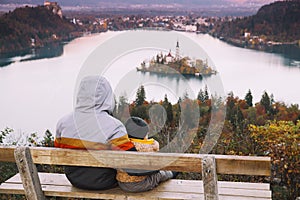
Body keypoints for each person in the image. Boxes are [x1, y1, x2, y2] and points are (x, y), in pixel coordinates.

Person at [54, 76, 136, 190]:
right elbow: (132, 160)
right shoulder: (114, 126)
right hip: (105, 182)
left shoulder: (63, 123)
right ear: (107, 96)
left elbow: (58, 152)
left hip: (74, 179)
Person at [116, 116, 176, 192]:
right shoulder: (150, 147)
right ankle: (172, 174)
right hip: (141, 184)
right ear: (144, 136)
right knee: (159, 174)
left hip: (122, 183)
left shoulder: (122, 145)